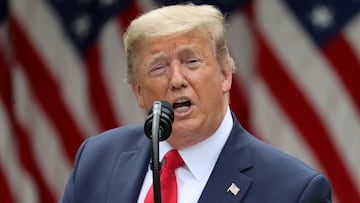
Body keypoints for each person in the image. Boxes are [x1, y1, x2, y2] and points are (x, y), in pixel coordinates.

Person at [59, 3, 332, 203]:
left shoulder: (293, 191)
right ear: (138, 91)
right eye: (158, 67)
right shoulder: (96, 159)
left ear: (225, 75)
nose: (177, 79)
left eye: (192, 61)